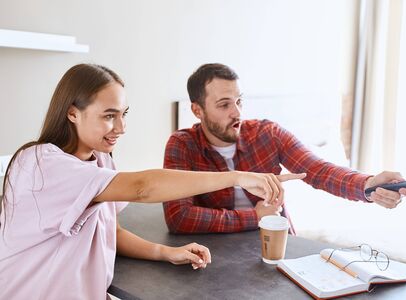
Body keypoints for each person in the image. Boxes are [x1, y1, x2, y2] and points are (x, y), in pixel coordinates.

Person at [0, 64, 302, 299]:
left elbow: (110, 232)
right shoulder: (42, 163)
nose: (121, 127)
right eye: (109, 116)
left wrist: (166, 253)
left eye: (123, 114)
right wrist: (237, 178)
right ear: (72, 114)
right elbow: (144, 187)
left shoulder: (101, 160)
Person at [163, 63, 406, 234]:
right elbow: (179, 217)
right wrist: (254, 216)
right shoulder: (182, 145)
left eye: (239, 101)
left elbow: (317, 170)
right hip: (212, 254)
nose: (237, 112)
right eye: (224, 105)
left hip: (275, 241)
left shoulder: (267, 133)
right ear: (197, 110)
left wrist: (369, 184)